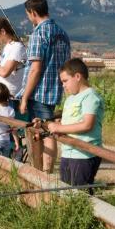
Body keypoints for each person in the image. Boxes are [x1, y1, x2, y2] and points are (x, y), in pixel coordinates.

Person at [20, 0, 71, 172]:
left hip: (39, 92)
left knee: (41, 133)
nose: (28, 18)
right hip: (54, 90)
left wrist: (25, 97)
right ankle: (47, 171)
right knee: (49, 130)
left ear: (33, 12)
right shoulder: (62, 33)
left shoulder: (38, 34)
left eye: (28, 14)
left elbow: (35, 69)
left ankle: (41, 172)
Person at [45, 58, 104, 191]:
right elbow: (73, 120)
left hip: (84, 154)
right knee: (66, 191)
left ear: (77, 76)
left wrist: (60, 128)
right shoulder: (71, 98)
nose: (63, 85)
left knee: (80, 193)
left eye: (65, 81)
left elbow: (87, 125)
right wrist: (62, 124)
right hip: (68, 152)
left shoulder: (90, 96)